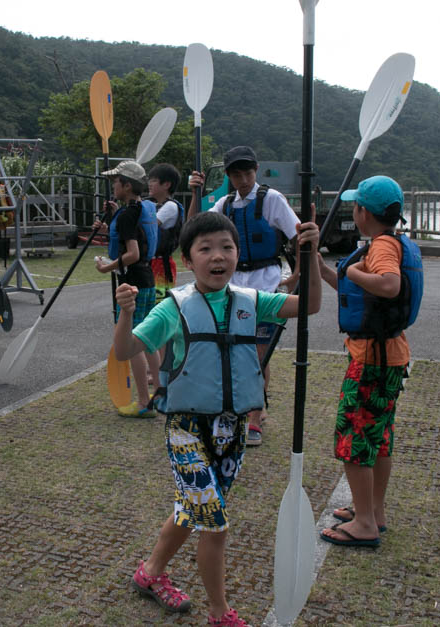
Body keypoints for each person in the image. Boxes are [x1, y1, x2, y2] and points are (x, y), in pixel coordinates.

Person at [113, 211, 321, 626]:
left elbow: (310, 305)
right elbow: (124, 351)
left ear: (237, 255)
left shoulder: (252, 301)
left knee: (193, 509)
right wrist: (126, 313)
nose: (218, 256)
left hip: (232, 430)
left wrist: (310, 255)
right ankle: (219, 612)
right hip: (186, 431)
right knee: (215, 524)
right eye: (205, 248)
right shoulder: (173, 309)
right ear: (188, 260)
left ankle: (149, 573)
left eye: (226, 247)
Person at [315, 175, 415, 547]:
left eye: (355, 205)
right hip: (389, 355)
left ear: (363, 212)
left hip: (372, 360)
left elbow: (389, 285)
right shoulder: (391, 241)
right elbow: (356, 292)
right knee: (379, 437)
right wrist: (325, 269)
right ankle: (373, 511)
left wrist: (354, 270)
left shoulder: (381, 247)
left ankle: (365, 525)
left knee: (354, 440)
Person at [187, 146, 300, 447]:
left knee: (259, 354)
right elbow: (193, 230)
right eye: (237, 174)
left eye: (248, 172)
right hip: (233, 288)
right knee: (233, 353)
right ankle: (236, 408)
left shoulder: (272, 199)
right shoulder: (224, 205)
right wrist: (195, 193)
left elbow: (299, 237)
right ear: (229, 176)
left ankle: (255, 415)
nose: (244, 179)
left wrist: (297, 275)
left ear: (256, 170)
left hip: (266, 286)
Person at [93, 160, 159, 418]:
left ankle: (143, 402)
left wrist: (106, 268)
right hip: (147, 280)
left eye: (116, 182)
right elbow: (133, 237)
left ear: (127, 185)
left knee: (133, 343)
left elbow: (133, 253)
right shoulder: (141, 208)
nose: (113, 186)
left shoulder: (128, 214)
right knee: (149, 340)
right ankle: (158, 396)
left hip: (133, 284)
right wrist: (112, 220)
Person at [146, 163, 184, 304]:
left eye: (154, 180)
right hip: (151, 262)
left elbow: (148, 227)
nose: (149, 184)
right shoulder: (155, 205)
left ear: (166, 184)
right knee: (148, 305)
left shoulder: (170, 206)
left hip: (161, 264)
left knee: (159, 306)